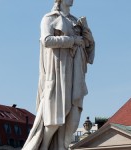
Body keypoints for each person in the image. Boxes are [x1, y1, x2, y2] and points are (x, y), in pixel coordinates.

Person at [22, 0, 95, 149]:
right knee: (54, 119)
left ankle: (63, 146)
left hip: (76, 73)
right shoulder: (49, 18)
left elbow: (89, 48)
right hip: (58, 72)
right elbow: (46, 40)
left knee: (74, 117)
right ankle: (44, 146)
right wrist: (72, 40)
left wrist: (85, 30)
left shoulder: (76, 21)